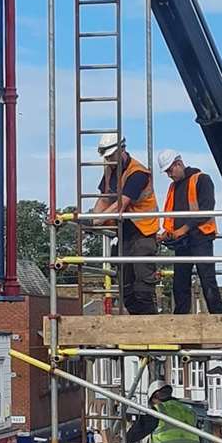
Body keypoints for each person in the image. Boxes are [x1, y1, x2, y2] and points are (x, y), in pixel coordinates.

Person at [92, 132, 160, 315]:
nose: (109, 160)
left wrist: (97, 220)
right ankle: (136, 328)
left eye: (112, 156)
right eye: (107, 157)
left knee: (143, 286)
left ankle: (151, 329)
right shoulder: (110, 171)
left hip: (143, 232)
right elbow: (104, 199)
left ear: (123, 150)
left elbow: (122, 203)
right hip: (125, 234)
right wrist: (91, 218)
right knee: (126, 286)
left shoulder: (137, 173)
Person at [157, 149, 222, 315]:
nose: (169, 175)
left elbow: (206, 210)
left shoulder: (201, 179)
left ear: (178, 163)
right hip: (182, 242)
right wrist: (168, 233)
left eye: (170, 170)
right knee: (180, 284)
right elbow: (173, 215)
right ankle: (181, 322)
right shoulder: (174, 187)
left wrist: (183, 230)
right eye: (166, 172)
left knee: (207, 280)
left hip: (200, 238)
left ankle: (218, 318)